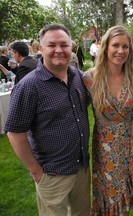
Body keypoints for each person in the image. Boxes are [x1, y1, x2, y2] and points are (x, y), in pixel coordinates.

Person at [4, 23, 91, 215]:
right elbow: (14, 131)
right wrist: (36, 171)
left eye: (64, 45)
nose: (58, 50)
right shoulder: (29, 86)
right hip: (52, 174)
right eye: (52, 45)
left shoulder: (76, 75)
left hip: (82, 168)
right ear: (41, 49)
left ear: (71, 48)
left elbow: (81, 107)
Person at [82, 25, 133, 215]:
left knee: (126, 193)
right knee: (110, 196)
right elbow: (76, 111)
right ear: (105, 47)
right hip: (105, 148)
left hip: (130, 143)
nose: (121, 51)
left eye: (126, 47)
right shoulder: (90, 79)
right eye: (116, 45)